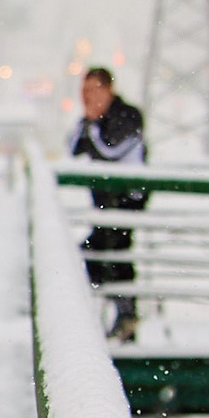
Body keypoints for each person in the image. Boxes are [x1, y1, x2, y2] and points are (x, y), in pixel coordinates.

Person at [68, 67, 147, 342]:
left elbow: (111, 151)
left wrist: (92, 127)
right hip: (105, 204)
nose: (87, 98)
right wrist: (88, 125)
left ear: (108, 89)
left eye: (93, 90)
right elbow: (73, 148)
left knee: (115, 250)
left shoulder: (128, 115)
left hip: (126, 202)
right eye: (84, 91)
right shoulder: (94, 122)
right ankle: (122, 314)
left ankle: (126, 316)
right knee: (96, 252)